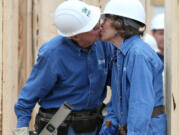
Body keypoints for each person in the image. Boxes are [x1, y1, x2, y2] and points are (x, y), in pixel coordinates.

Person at [14, 0, 113, 135]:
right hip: (59, 125)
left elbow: (117, 82)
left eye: (97, 22)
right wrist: (21, 128)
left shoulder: (104, 45)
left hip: (93, 124)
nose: (99, 28)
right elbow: (28, 96)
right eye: (93, 27)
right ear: (75, 35)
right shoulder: (52, 54)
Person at [99, 0, 166, 135]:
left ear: (120, 24)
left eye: (105, 19)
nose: (101, 24)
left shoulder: (138, 55)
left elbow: (140, 106)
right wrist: (110, 123)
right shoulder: (120, 52)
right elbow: (118, 98)